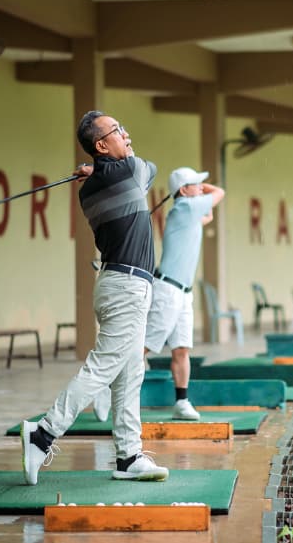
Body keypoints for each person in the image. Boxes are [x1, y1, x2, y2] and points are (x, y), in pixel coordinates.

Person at [20, 110, 168, 485]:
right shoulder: (129, 171)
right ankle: (43, 434)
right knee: (103, 368)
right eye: (119, 130)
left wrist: (94, 170)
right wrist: (98, 167)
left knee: (130, 373)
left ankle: (129, 456)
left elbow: (126, 168)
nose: (127, 133)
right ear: (102, 144)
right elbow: (150, 167)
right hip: (126, 287)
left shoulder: (90, 188)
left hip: (120, 284)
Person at [93, 168, 224, 422]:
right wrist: (198, 190)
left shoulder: (189, 212)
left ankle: (182, 401)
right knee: (142, 348)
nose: (201, 187)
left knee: (181, 349)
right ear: (184, 191)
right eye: (196, 184)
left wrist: (192, 187)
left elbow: (208, 214)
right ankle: (105, 389)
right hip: (168, 291)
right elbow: (220, 193)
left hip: (184, 293)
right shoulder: (185, 208)